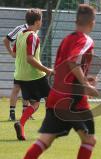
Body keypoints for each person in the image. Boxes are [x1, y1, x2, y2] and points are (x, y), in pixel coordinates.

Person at [23, 4, 98, 159]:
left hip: (56, 96)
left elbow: (65, 67)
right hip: (74, 99)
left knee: (45, 140)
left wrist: (83, 77)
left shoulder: (66, 39)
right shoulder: (86, 40)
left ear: (76, 21)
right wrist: (85, 84)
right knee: (89, 140)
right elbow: (72, 61)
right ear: (92, 23)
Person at [13, 8, 53, 140]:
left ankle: (21, 124)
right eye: (41, 20)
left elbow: (15, 53)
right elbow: (30, 58)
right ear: (37, 22)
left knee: (35, 103)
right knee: (51, 99)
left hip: (21, 76)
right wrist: (47, 70)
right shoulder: (33, 36)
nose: (41, 22)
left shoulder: (20, 35)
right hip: (34, 75)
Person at [2, 23, 35, 121]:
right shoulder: (20, 29)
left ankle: (25, 112)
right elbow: (6, 40)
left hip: (30, 62)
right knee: (17, 87)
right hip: (21, 63)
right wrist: (12, 52)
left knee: (28, 87)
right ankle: (12, 114)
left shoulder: (33, 31)